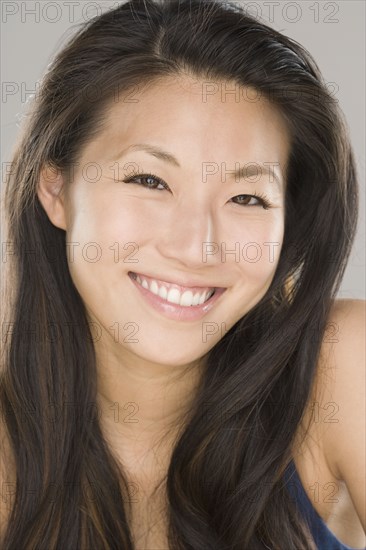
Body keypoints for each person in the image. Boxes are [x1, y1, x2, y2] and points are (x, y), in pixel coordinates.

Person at [0, 0, 365, 548]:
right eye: (149, 181)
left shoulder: (342, 365)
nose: (198, 247)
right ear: (55, 189)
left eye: (247, 197)